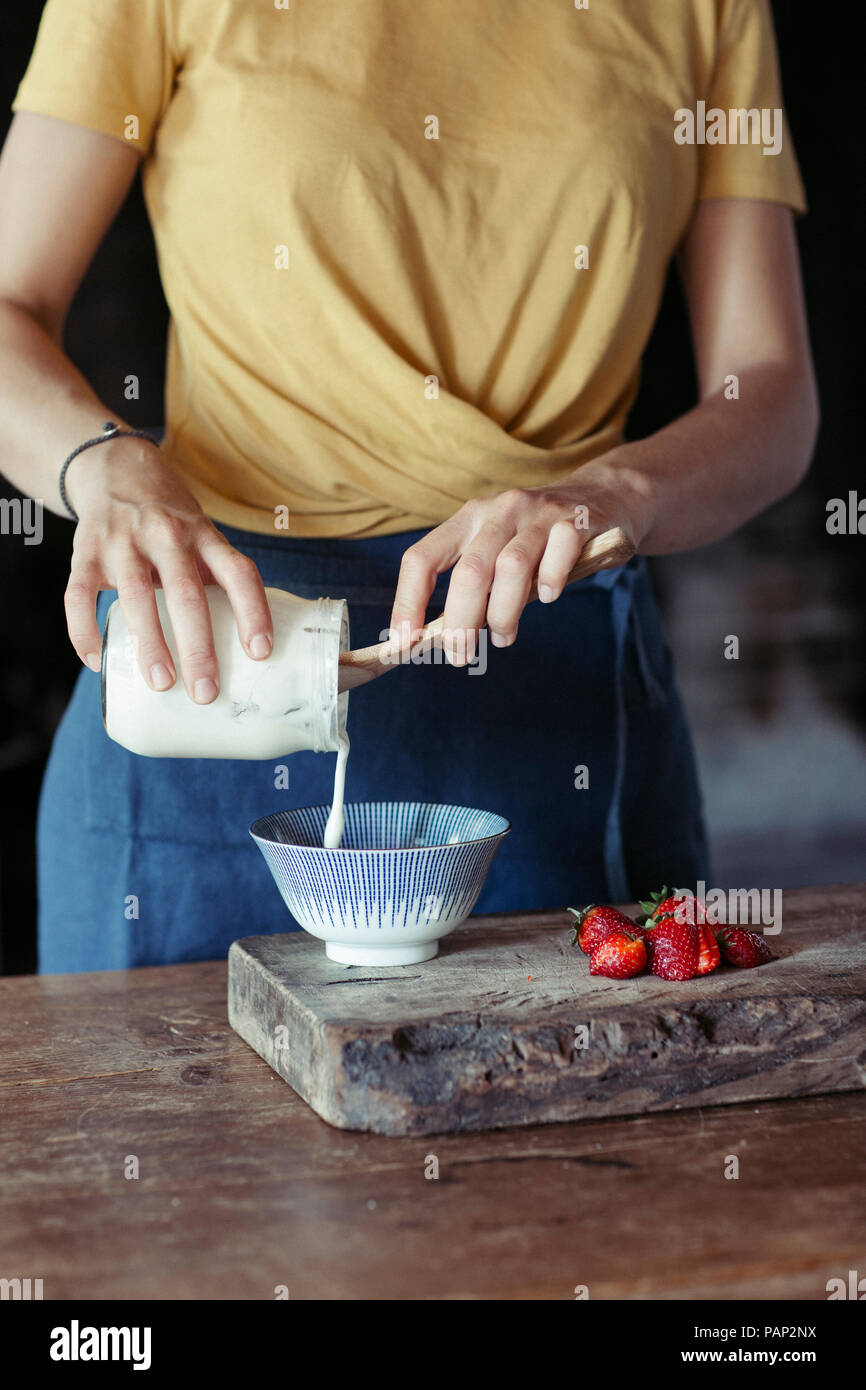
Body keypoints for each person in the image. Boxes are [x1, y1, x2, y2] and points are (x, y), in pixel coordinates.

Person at [0, 0, 817, 973]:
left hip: (552, 697)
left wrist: (608, 493)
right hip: (203, 667)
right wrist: (103, 462)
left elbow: (768, 392)